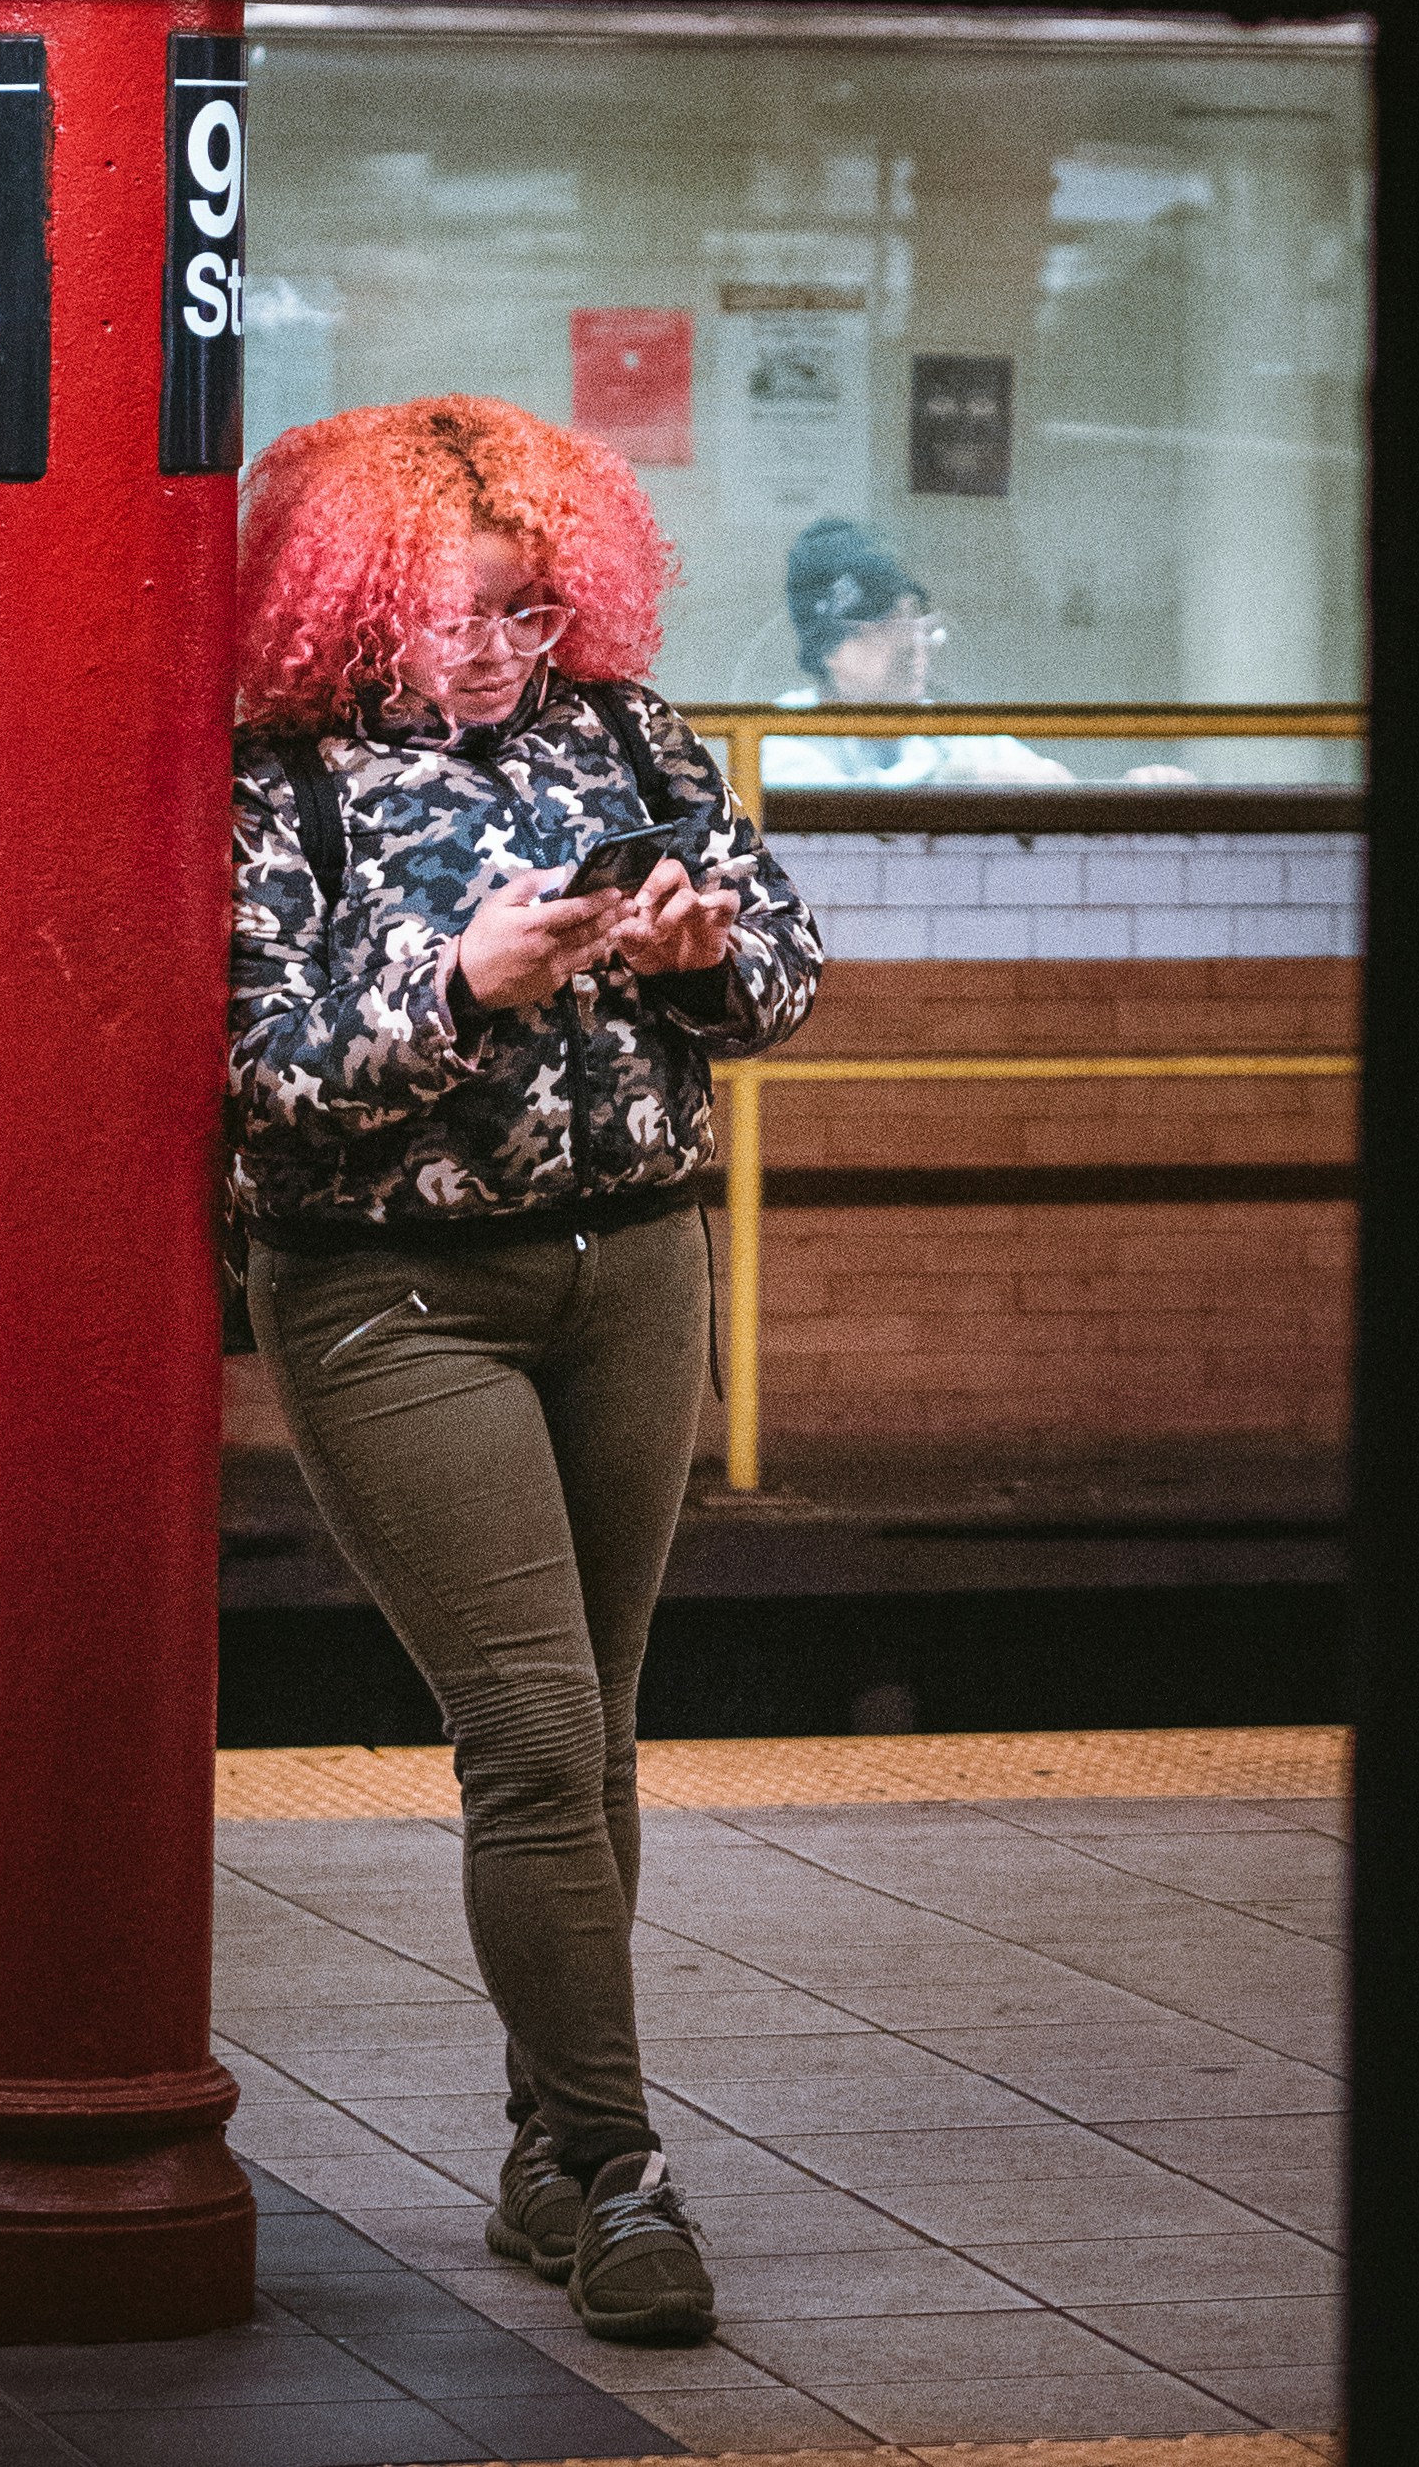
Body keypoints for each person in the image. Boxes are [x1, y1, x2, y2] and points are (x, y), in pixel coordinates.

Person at [229, 393, 822, 2350]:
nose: (494, 650)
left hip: (640, 1258)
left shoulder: (634, 735)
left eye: (528, 609)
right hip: (399, 1293)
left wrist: (694, 945)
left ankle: (539, 2154)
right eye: (453, 613)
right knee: (535, 1732)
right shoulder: (274, 777)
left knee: (605, 1731)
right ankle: (625, 2162)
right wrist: (459, 982)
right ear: (349, 599)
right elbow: (258, 1078)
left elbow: (788, 985)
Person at [757, 513, 1078, 788]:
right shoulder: (780, 736)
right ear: (828, 649)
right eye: (886, 622)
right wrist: (953, 781)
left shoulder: (947, 732)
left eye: (913, 616)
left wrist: (1122, 788)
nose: (914, 641)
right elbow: (857, 818)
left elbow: (1048, 779)